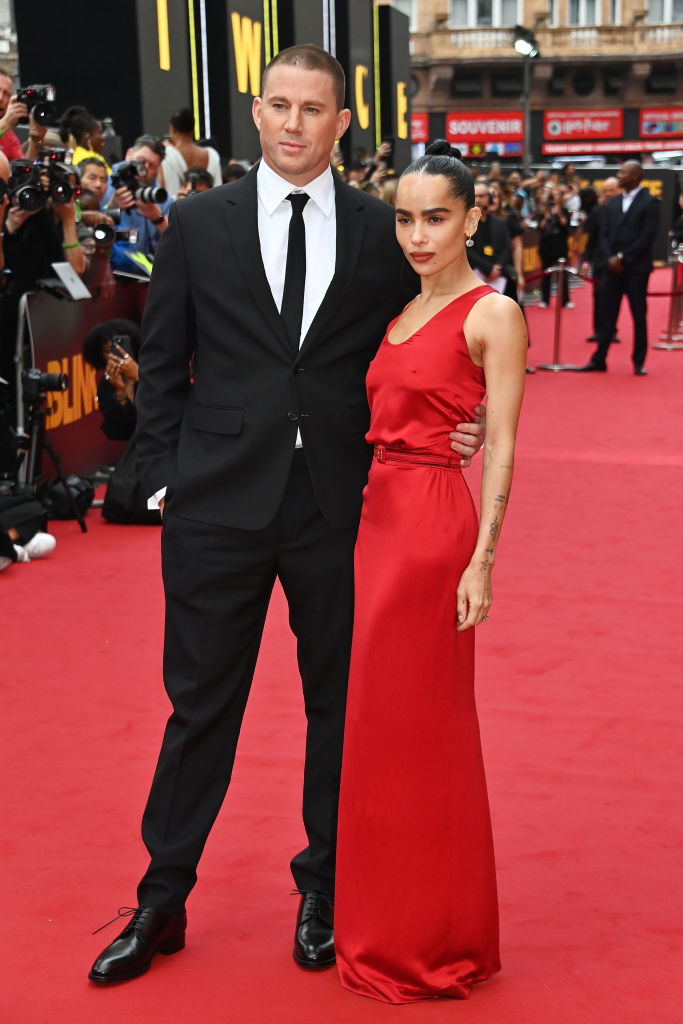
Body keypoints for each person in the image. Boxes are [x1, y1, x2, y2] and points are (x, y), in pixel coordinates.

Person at [88, 44, 485, 985]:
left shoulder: (379, 230)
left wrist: (458, 422)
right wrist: (162, 480)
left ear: (341, 122)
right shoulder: (197, 221)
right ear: (257, 112)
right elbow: (163, 357)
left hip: (342, 506)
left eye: (314, 109)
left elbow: (426, 339)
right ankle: (161, 897)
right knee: (199, 707)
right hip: (216, 505)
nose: (295, 123)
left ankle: (325, 888)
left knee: (338, 707)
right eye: (280, 105)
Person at [335, 139, 526, 1003]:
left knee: (425, 733)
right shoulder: (402, 309)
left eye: (436, 218)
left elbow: (503, 444)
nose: (417, 235)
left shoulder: (493, 314)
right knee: (379, 731)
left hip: (430, 533)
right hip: (377, 525)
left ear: (471, 219)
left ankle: (431, 938)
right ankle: (382, 924)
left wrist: (482, 562)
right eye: (405, 219)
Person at [579, 161, 660, 375]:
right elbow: (603, 234)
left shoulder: (650, 202)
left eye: (623, 172)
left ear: (635, 176)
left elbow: (647, 236)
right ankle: (599, 359)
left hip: (636, 269)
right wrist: (609, 259)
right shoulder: (613, 204)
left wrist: (622, 258)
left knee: (639, 316)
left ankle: (639, 361)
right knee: (606, 315)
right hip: (611, 269)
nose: (619, 175)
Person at [158, 108, 222, 197]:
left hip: (178, 205)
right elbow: (219, 190)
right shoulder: (212, 155)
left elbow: (165, 194)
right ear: (193, 129)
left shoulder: (166, 155)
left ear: (172, 128)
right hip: (211, 204)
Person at [467, 181, 513, 295]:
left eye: (481, 196)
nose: (478, 200)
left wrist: (498, 267)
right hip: (473, 275)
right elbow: (466, 250)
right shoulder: (465, 223)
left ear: (489, 198)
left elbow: (507, 247)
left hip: (499, 276)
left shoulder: (499, 223)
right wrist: (488, 268)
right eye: (475, 196)